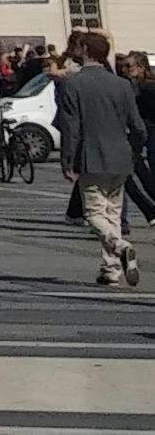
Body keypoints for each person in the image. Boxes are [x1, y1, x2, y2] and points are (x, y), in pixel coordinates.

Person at [55, 29, 146, 287]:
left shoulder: (72, 84)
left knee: (93, 212)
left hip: (91, 156)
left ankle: (120, 246)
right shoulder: (122, 85)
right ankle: (111, 269)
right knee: (112, 212)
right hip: (120, 156)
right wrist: (133, 150)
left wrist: (67, 161)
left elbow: (71, 128)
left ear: (86, 51)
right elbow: (137, 126)